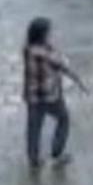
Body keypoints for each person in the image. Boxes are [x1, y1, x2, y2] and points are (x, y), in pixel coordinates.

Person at [22, 17, 88, 168]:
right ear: (43, 34)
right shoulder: (46, 54)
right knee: (63, 119)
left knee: (34, 127)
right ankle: (57, 153)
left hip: (32, 97)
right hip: (50, 96)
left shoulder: (27, 49)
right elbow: (64, 66)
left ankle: (33, 159)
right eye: (49, 32)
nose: (51, 34)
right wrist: (80, 83)